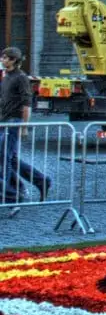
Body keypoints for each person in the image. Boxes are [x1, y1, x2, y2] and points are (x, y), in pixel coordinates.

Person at [0, 47, 46, 204]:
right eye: (2, 57)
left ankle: (9, 194)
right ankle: (40, 181)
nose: (2, 59)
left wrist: (24, 127)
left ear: (13, 60)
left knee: (4, 158)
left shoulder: (21, 77)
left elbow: (27, 104)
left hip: (14, 122)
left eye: (5, 57)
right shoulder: (7, 76)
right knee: (10, 158)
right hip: (4, 122)